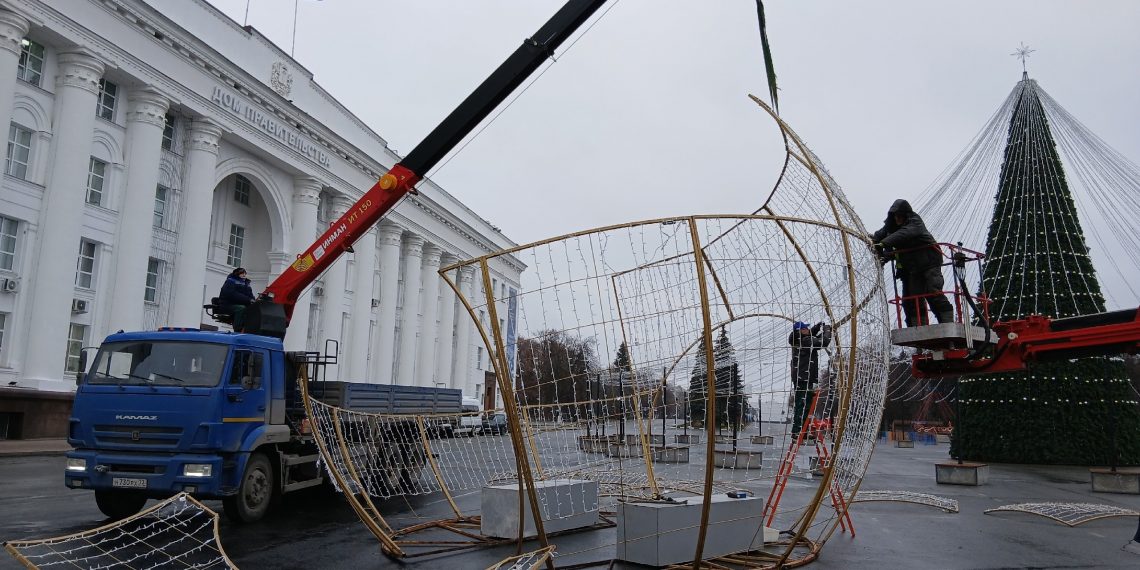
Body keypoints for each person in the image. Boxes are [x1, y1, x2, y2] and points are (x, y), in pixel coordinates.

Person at [871, 199, 955, 327]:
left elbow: (904, 234)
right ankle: (919, 327)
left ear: (905, 215)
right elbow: (881, 234)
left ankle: (947, 325)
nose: (897, 219)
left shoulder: (915, 223)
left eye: (899, 216)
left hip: (929, 261)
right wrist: (873, 240)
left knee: (933, 292)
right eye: (895, 216)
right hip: (913, 267)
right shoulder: (892, 227)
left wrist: (883, 243)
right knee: (912, 299)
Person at [789, 320, 831, 438]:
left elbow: (811, 335)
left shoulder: (798, 339)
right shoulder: (806, 341)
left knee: (802, 404)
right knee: (803, 405)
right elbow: (823, 342)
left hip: (801, 376)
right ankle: (799, 432)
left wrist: (817, 327)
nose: (808, 330)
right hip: (804, 377)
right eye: (805, 328)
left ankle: (801, 431)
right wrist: (827, 330)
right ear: (800, 331)